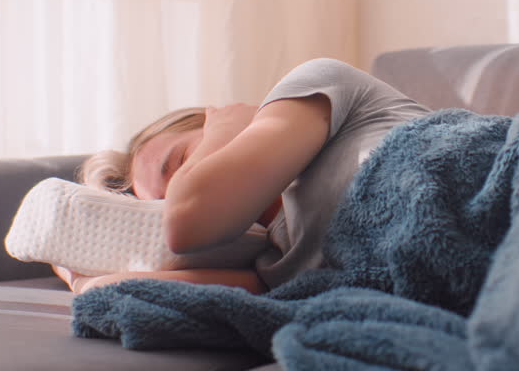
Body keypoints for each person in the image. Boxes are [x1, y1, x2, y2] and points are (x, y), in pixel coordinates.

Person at [55, 58, 430, 295]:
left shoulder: (319, 88)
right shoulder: (277, 260)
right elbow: (110, 290)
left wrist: (225, 129)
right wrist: (77, 275)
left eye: (182, 161)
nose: (185, 184)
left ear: (212, 117)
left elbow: (188, 221)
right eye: (164, 202)